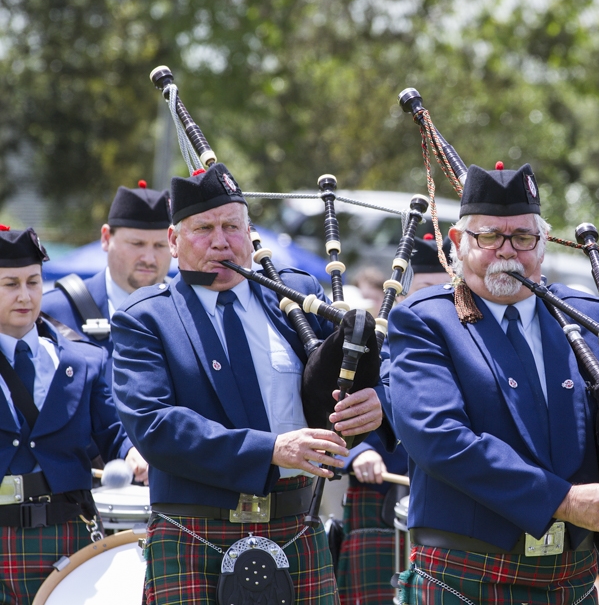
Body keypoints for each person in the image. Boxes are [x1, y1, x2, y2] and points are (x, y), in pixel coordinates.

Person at [111, 163, 386, 605]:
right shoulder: (146, 317)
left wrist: (376, 402)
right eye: (203, 228)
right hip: (193, 531)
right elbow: (154, 424)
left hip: (295, 525)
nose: (221, 241)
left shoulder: (294, 294)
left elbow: (363, 373)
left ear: (249, 232)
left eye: (232, 226)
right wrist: (271, 449)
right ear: (174, 241)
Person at [386, 163, 599, 603]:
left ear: (543, 244)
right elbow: (438, 437)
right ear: (458, 241)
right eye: (489, 236)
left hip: (571, 573)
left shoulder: (589, 317)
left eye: (523, 237)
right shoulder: (425, 320)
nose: (507, 252)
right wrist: (564, 501)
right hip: (465, 571)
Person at [0, 225, 143, 604]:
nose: (25, 295)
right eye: (10, 284)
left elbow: (114, 431)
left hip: (68, 533)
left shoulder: (83, 360)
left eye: (33, 282)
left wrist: (132, 452)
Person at [336, 232, 452, 603]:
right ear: (401, 296)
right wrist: (360, 453)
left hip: (446, 506)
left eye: (446, 289)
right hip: (380, 499)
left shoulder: (466, 351)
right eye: (425, 289)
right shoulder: (373, 350)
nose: (436, 300)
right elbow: (337, 413)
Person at [42, 180, 172, 352]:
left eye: (160, 245)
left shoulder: (190, 310)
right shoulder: (55, 312)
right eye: (137, 243)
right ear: (106, 238)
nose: (148, 258)